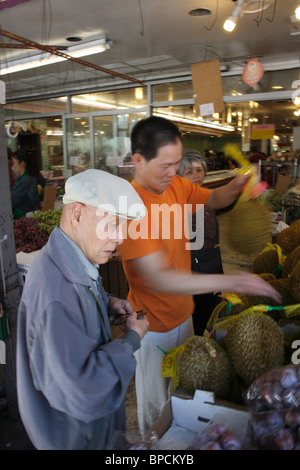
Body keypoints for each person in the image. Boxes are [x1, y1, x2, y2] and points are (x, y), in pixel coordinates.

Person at [119, 116, 281, 438]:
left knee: (183, 402)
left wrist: (236, 185)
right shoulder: (131, 206)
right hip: (150, 327)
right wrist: (231, 281)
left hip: (184, 318)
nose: (173, 172)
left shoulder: (175, 185)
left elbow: (215, 199)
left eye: (177, 163)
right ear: (138, 160)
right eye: (166, 164)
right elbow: (159, 278)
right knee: (157, 415)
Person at [16, 169, 149, 450]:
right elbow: (84, 391)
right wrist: (130, 341)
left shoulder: (69, 259)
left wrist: (104, 303)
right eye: (112, 225)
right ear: (77, 214)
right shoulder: (56, 295)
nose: (119, 239)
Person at [177, 149, 223, 335]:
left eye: (199, 170)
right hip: (192, 270)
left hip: (209, 264)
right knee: (195, 318)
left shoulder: (204, 196)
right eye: (189, 172)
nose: (196, 175)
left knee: (206, 312)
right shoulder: (181, 201)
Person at [11, 148, 40, 219]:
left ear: (22, 164)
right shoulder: (22, 178)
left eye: (14, 163)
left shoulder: (27, 180)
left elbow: (13, 201)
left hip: (25, 218)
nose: (13, 166)